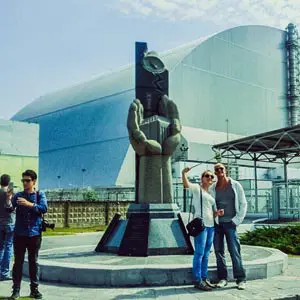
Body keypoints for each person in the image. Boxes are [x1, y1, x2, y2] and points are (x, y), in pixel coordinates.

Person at [9, 170, 47, 299]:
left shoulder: (39, 194)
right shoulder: (18, 195)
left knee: (33, 262)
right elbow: (8, 209)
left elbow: (44, 208)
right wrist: (8, 199)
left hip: (34, 234)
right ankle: (16, 290)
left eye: (27, 180)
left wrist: (30, 204)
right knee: (18, 263)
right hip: (19, 233)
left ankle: (34, 290)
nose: (25, 183)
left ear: (34, 181)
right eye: (23, 180)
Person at [210, 163, 247, 290]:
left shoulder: (235, 185)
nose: (219, 170)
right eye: (217, 169)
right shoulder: (212, 188)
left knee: (234, 250)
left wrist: (236, 220)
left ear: (225, 171)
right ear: (215, 173)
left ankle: (240, 279)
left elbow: (243, 203)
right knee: (219, 252)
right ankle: (223, 278)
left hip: (231, 224)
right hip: (218, 224)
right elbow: (210, 206)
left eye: (221, 169)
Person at [182, 167, 220, 291]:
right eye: (207, 176)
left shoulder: (211, 194)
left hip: (211, 226)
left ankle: (204, 278)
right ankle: (198, 280)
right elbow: (186, 185)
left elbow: (211, 212)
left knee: (207, 254)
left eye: (211, 177)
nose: (210, 178)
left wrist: (217, 213)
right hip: (201, 225)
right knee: (199, 253)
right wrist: (184, 173)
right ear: (202, 178)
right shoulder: (197, 189)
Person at [0, 174, 15, 281]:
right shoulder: (10, 193)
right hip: (9, 222)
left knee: (0, 247)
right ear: (8, 181)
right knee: (8, 247)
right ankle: (4, 273)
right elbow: (12, 207)